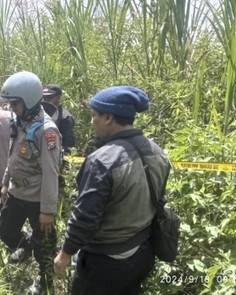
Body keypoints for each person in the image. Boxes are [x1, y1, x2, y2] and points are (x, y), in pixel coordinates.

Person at [53, 86, 170, 295]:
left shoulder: (102, 161)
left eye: (94, 115)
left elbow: (85, 218)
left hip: (105, 263)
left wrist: (65, 254)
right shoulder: (157, 152)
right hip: (143, 252)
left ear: (108, 118)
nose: (92, 121)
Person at [0, 71, 61, 294]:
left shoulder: (47, 131)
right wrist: (5, 182)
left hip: (37, 198)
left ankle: (44, 282)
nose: (11, 108)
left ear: (29, 100)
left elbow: (51, 173)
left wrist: (47, 211)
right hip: (17, 192)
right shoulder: (20, 122)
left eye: (15, 103)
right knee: (4, 230)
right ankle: (25, 245)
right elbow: (12, 154)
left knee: (45, 247)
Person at [41, 84, 75, 154]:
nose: (46, 100)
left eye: (49, 97)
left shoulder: (65, 118)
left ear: (58, 98)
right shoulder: (38, 114)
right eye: (44, 97)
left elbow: (67, 145)